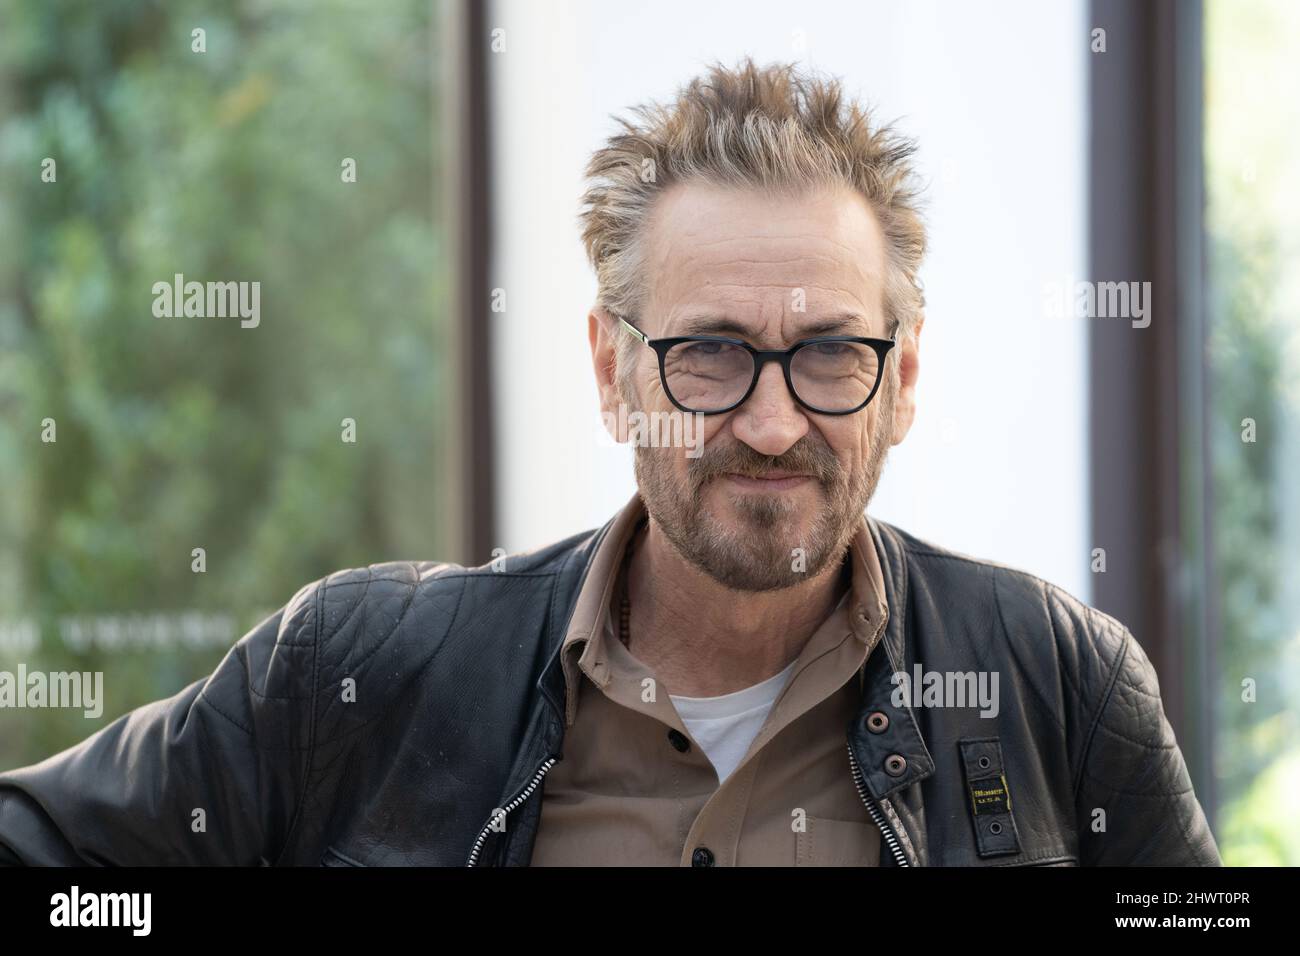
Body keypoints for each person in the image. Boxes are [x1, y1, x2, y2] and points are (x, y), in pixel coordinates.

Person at [0, 57, 1220, 866]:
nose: (773, 421)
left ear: (900, 380)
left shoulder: (1059, 690)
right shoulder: (357, 680)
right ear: (610, 370)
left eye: (830, 353)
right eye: (710, 353)